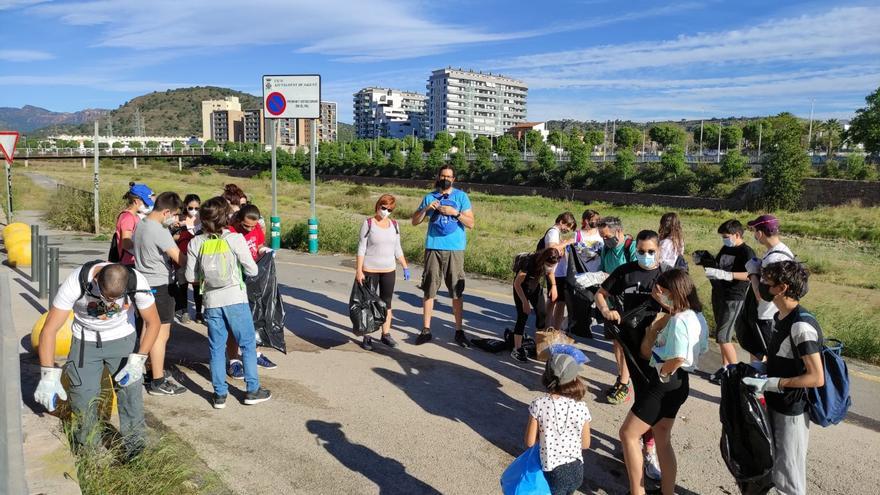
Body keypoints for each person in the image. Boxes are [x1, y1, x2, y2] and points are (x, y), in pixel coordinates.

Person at [34, 262, 161, 459]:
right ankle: (88, 450)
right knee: (83, 395)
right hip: (86, 342)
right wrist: (48, 376)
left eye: (117, 298)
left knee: (130, 394)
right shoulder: (75, 283)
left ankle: (136, 450)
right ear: (95, 281)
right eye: (106, 297)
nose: (112, 302)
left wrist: (139, 358)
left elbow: (153, 322)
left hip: (122, 340)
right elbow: (49, 330)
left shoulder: (136, 281)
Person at [619, 268, 706, 495]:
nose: (657, 292)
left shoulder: (678, 320)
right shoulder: (698, 316)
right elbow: (701, 350)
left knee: (628, 434)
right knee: (662, 438)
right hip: (681, 384)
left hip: (663, 382)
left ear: (672, 291)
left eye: (661, 289)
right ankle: (667, 491)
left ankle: (637, 492)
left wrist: (664, 372)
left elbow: (679, 357)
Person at [742, 261, 824, 495]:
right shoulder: (781, 317)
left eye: (767, 282)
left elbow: (816, 377)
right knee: (776, 468)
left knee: (789, 477)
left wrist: (775, 383)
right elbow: (781, 358)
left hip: (792, 411)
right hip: (776, 404)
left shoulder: (801, 326)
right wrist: (757, 368)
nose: (762, 286)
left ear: (782, 288)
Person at [185, 196, 271, 409]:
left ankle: (219, 394)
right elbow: (252, 269)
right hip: (235, 298)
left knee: (216, 347)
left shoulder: (196, 242)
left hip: (211, 301)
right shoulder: (234, 239)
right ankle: (252, 390)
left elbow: (190, 277)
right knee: (248, 344)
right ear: (227, 217)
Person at [595, 229, 662, 481]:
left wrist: (662, 302)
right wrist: (606, 310)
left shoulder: (665, 275)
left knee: (652, 401)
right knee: (644, 398)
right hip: (632, 346)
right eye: (642, 251)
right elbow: (601, 293)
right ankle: (640, 443)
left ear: (659, 250)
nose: (645, 256)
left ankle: (649, 448)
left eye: (650, 252)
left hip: (658, 348)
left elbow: (683, 307)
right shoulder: (626, 271)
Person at [410, 165, 475, 347]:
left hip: (454, 249)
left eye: (449, 176)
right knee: (429, 287)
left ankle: (459, 330)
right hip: (434, 246)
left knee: (456, 289)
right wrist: (425, 209)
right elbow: (414, 221)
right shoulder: (430, 197)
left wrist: (455, 212)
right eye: (443, 176)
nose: (446, 179)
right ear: (438, 177)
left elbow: (471, 223)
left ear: (454, 179)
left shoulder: (461, 197)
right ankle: (426, 329)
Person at [133, 191, 187, 396]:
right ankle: (157, 380)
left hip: (143, 283)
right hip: (160, 286)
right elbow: (179, 259)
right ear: (166, 212)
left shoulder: (141, 223)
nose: (173, 218)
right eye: (173, 214)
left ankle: (147, 370)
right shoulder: (159, 231)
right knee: (160, 335)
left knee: (148, 330)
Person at [524, 353, 591, 495]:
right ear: (574, 379)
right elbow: (585, 444)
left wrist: (546, 438)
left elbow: (530, 442)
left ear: (546, 376)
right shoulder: (582, 407)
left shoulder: (539, 404)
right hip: (577, 470)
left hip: (552, 471)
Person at [355, 194, 411, 351]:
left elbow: (397, 248)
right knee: (369, 303)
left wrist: (405, 266)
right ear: (378, 206)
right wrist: (359, 271)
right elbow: (361, 248)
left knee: (387, 302)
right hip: (370, 269)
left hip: (388, 269)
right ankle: (367, 335)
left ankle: (385, 334)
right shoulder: (368, 224)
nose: (386, 211)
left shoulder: (394, 224)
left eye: (390, 209)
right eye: (383, 208)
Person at [226, 203, 278, 373]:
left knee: (254, 317)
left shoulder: (256, 229)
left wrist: (265, 251)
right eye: (246, 226)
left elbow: (258, 246)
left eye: (253, 226)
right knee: (235, 322)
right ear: (239, 220)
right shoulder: (231, 232)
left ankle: (255, 354)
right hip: (236, 279)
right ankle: (234, 359)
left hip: (253, 278)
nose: (249, 229)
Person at [705, 220, 756, 384]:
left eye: (726, 237)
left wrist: (728, 275)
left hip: (734, 296)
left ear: (737, 235)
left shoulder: (746, 252)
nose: (724, 240)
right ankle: (726, 368)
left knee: (723, 336)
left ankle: (736, 374)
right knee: (721, 333)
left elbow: (750, 275)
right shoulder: (726, 248)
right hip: (719, 293)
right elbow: (719, 265)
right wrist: (706, 261)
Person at [596, 216, 636, 405]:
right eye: (602, 237)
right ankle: (621, 376)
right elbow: (602, 270)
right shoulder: (606, 249)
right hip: (610, 303)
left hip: (628, 304)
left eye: (607, 236)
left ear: (618, 231)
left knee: (624, 344)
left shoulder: (631, 248)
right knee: (615, 342)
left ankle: (624, 382)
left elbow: (639, 275)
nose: (605, 240)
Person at [745, 214, 795, 357]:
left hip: (767, 315)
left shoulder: (773, 258)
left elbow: (762, 295)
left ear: (760, 233)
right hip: (778, 312)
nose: (754, 235)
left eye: (754, 231)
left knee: (766, 357)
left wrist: (753, 273)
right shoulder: (783, 250)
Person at [511, 248, 561, 362]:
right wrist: (524, 302)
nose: (549, 266)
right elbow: (517, 284)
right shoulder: (529, 262)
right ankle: (517, 349)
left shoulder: (548, 263)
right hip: (521, 289)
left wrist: (554, 286)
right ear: (543, 260)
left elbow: (550, 272)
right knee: (522, 316)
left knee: (542, 314)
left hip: (535, 288)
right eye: (548, 264)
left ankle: (540, 348)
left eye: (552, 265)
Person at [566, 209, 604, 338]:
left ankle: (588, 323)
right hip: (582, 273)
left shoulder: (601, 234)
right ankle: (581, 326)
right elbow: (568, 247)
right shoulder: (578, 235)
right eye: (595, 220)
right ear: (587, 220)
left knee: (596, 300)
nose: (598, 222)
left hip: (598, 273)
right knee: (584, 300)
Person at [543, 212, 577, 330]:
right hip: (554, 272)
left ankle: (554, 327)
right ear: (561, 222)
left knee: (560, 301)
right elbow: (551, 249)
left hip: (559, 272)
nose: (568, 230)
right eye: (568, 227)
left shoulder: (556, 233)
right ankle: (547, 326)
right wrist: (566, 243)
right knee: (554, 300)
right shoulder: (553, 232)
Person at [172, 194, 202, 323]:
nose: (193, 210)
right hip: (181, 256)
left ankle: (199, 312)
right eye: (191, 207)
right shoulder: (178, 218)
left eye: (197, 208)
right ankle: (185, 312)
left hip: (198, 257)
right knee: (183, 285)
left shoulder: (202, 219)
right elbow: (171, 238)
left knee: (197, 287)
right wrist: (179, 228)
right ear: (185, 206)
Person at [114, 183, 153, 266]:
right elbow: (126, 243)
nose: (147, 206)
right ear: (136, 201)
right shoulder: (128, 218)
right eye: (145, 203)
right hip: (129, 262)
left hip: (136, 260)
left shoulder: (135, 216)